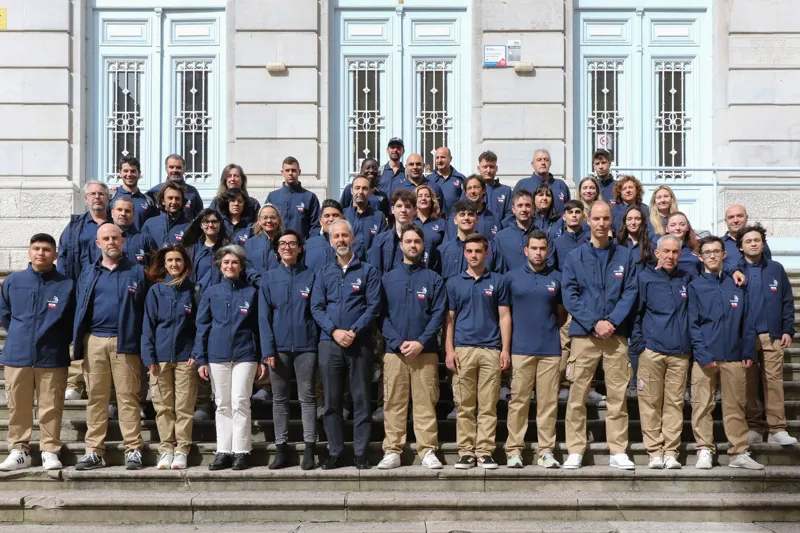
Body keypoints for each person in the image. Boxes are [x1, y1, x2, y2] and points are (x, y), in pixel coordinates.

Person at [561, 201, 638, 470]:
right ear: (587, 221)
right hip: (584, 335)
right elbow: (570, 296)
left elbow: (630, 292)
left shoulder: (625, 256)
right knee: (577, 395)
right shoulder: (575, 257)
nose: (602, 223)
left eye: (606, 218)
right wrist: (595, 322)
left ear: (611, 222)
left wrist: (612, 322)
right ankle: (575, 449)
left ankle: (618, 450)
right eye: (596, 218)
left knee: (617, 395)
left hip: (616, 335)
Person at [72, 223, 147, 471]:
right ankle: (94, 451)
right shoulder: (88, 272)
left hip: (126, 341)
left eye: (115, 237)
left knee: (128, 397)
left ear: (123, 241)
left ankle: (133, 449)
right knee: (96, 398)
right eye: (106, 238)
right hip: (94, 341)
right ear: (98, 244)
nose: (111, 241)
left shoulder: (136, 272)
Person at [0, 234, 75, 471]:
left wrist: (57, 342)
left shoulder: (67, 285)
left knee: (51, 406)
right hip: (18, 355)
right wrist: (20, 335)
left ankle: (49, 450)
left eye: (45, 249)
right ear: (29, 252)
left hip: (52, 356)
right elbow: (5, 314)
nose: (40, 253)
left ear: (55, 255)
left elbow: (72, 320)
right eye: (36, 248)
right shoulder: (13, 282)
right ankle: (18, 450)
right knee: (18, 406)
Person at [311, 219, 381, 469]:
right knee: (331, 402)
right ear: (330, 242)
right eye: (336, 236)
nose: (340, 240)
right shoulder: (323, 272)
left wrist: (353, 331)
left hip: (359, 343)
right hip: (329, 344)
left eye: (345, 236)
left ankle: (361, 453)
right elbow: (316, 307)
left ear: (353, 239)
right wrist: (334, 331)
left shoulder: (368, 271)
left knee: (361, 399)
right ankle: (336, 451)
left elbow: (373, 306)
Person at [688, 236, 763, 470]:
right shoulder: (695, 286)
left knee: (735, 406)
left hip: (734, 357)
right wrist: (702, 353)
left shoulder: (738, 285)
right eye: (707, 252)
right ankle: (704, 449)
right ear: (700, 256)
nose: (712, 255)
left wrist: (747, 350)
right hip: (705, 357)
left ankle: (738, 452)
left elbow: (748, 321)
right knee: (702, 405)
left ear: (724, 254)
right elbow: (693, 324)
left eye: (716, 251)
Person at [377, 225, 446, 470]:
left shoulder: (433, 279)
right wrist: (397, 341)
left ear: (423, 245)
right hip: (394, 353)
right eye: (408, 241)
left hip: (424, 352)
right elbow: (380, 315)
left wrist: (421, 341)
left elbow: (438, 315)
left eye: (417, 241)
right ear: (401, 245)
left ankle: (427, 450)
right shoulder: (387, 278)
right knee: (394, 402)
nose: (413, 245)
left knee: (426, 402)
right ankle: (393, 450)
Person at [194, 245, 265, 471]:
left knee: (240, 402)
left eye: (234, 262)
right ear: (220, 266)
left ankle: (242, 451)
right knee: (222, 404)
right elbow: (202, 326)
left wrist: (263, 358)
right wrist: (200, 358)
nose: (230, 266)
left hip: (246, 354)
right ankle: (223, 450)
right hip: (217, 355)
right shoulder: (211, 292)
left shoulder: (252, 293)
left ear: (241, 266)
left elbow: (260, 327)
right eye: (226, 263)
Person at [445, 233, 511, 469]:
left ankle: (484, 451)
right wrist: (449, 350)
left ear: (487, 253)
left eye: (478, 251)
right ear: (464, 254)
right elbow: (449, 319)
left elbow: (504, 317)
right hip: (463, 350)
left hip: (491, 349)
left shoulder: (499, 281)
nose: (474, 255)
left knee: (488, 405)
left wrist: (505, 349)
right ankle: (465, 451)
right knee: (464, 405)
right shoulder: (453, 283)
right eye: (470, 251)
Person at [629, 234, 694, 469]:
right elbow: (635, 314)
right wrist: (640, 347)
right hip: (652, 351)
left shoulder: (686, 278)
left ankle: (671, 452)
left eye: (675, 252)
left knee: (675, 404)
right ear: (657, 253)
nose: (670, 256)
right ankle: (655, 451)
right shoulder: (644, 278)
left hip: (680, 352)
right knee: (650, 403)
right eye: (666, 251)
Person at [258, 229, 320, 470]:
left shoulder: (312, 276)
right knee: (280, 400)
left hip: (306, 347)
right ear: (277, 249)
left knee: (307, 398)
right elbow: (264, 317)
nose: (287, 247)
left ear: (300, 248)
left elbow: (316, 312)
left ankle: (309, 448)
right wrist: (267, 350)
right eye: (282, 244)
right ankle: (281, 449)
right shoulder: (269, 278)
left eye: (292, 243)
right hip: (278, 348)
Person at [504, 230, 566, 469]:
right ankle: (514, 450)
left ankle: (546, 451)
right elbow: (504, 315)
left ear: (547, 250)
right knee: (518, 401)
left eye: (542, 248)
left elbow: (561, 315)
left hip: (550, 350)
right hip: (521, 349)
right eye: (534, 248)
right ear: (525, 250)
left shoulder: (557, 278)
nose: (538, 252)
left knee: (548, 403)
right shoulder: (511, 278)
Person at [737, 224, 797, 446]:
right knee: (749, 383)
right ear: (741, 247)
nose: (753, 243)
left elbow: (787, 301)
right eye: (748, 241)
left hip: (772, 335)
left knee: (773, 382)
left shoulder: (776, 269)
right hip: (746, 337)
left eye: (756, 240)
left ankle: (777, 428)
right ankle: (753, 425)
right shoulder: (734, 270)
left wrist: (788, 329)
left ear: (763, 243)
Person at [141, 244, 198, 470]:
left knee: (183, 405)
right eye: (170, 261)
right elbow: (148, 326)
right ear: (164, 265)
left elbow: (199, 326)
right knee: (163, 406)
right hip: (160, 358)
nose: (174, 264)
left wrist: (196, 353)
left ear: (185, 263)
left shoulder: (194, 290)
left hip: (186, 358)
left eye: (178, 260)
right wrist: (149, 356)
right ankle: (166, 448)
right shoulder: (156, 291)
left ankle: (182, 448)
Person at [369, 189, 435, 274]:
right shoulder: (380, 240)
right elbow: (375, 273)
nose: (403, 210)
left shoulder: (426, 240)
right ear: (392, 209)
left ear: (414, 210)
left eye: (407, 206)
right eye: (399, 206)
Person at [439, 200, 505, 281]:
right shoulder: (443, 251)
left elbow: (499, 279)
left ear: (477, 219)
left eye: (470, 214)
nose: (466, 218)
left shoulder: (491, 248)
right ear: (455, 220)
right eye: (462, 215)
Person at [266, 156, 321, 239]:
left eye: (294, 170)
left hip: (301, 247)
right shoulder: (273, 196)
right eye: (287, 170)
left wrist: (310, 245)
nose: (290, 173)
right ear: (282, 172)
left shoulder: (309, 197)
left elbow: (315, 226)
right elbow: (265, 221)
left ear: (299, 172)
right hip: (277, 246)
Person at [181, 208, 231, 294]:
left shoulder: (228, 248)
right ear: (201, 225)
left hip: (221, 297)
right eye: (206, 222)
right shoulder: (193, 250)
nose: (210, 225)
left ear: (220, 223)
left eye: (214, 221)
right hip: (198, 297)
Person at [146, 154, 204, 220]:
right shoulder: (154, 192)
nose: (174, 170)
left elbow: (200, 218)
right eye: (171, 167)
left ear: (184, 169)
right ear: (166, 169)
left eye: (178, 167)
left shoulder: (192, 191)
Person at [445, 175, 502, 242]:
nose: (472, 191)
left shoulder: (494, 218)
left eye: (476, 187)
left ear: (483, 190)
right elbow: (448, 245)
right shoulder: (456, 218)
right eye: (469, 188)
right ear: (466, 193)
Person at [513, 149, 571, 215]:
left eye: (546, 160)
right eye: (539, 160)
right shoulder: (523, 185)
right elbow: (511, 211)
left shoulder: (560, 185)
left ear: (550, 163)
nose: (543, 163)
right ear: (532, 164)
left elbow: (569, 211)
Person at [344, 175, 388, 260]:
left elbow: (382, 244)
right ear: (351, 191)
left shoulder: (379, 217)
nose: (360, 191)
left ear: (370, 192)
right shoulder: (342, 215)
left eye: (364, 188)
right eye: (357, 188)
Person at [110, 156, 159, 231]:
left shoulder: (148, 201)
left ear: (139, 173)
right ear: (120, 173)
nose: (129, 174)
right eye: (126, 171)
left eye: (133, 171)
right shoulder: (111, 196)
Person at [242, 204, 283, 287]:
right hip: (255, 288)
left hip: (279, 287)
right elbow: (247, 266)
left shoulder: (285, 241)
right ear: (259, 221)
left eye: (273, 217)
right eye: (265, 218)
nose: (269, 221)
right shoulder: (250, 243)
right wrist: (258, 281)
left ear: (278, 220)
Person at [494, 189, 534, 271]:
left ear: (533, 208)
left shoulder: (542, 235)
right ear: (513, 209)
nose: (524, 209)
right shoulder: (500, 238)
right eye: (520, 206)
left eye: (527, 205)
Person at [141, 182, 192, 246]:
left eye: (177, 198)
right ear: (163, 201)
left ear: (182, 201)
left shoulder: (188, 226)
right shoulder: (150, 224)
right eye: (170, 198)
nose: (174, 202)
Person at [722, 205, 772, 270]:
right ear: (726, 220)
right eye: (731, 217)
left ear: (746, 218)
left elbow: (768, 268)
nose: (735, 220)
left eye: (740, 216)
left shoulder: (758, 242)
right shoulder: (719, 244)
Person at [549, 200, 590, 272]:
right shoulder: (556, 243)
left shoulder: (590, 240)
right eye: (570, 212)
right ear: (564, 217)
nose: (574, 215)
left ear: (583, 216)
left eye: (577, 212)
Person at [474, 150, 513, 223]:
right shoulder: (471, 189)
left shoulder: (506, 191)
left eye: (491, 167)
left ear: (496, 168)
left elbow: (510, 214)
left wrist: (500, 229)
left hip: (500, 232)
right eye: (485, 167)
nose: (488, 170)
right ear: (479, 168)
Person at [304, 199, 342, 272]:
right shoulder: (308, 245)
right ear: (321, 221)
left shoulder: (352, 245)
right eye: (327, 216)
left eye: (335, 215)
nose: (331, 219)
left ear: (343, 219)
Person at [429, 147, 466, 216]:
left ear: (450, 158)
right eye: (437, 158)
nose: (439, 160)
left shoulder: (461, 179)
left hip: (455, 221)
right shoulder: (429, 180)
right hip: (435, 221)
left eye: (443, 157)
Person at [414, 184, 446, 252]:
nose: (423, 198)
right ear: (415, 201)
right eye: (420, 196)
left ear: (432, 201)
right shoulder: (409, 222)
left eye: (427, 196)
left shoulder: (442, 223)